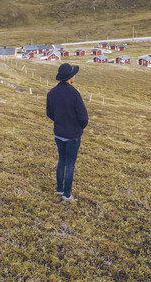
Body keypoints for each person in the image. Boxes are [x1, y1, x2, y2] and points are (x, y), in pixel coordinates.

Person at [47, 63, 88, 202]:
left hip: (59, 133)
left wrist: (59, 122)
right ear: (70, 77)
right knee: (70, 164)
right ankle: (67, 195)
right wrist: (78, 127)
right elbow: (83, 118)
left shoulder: (52, 92)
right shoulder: (74, 94)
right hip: (73, 135)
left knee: (62, 161)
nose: (75, 75)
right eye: (73, 74)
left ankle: (59, 191)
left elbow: (50, 113)